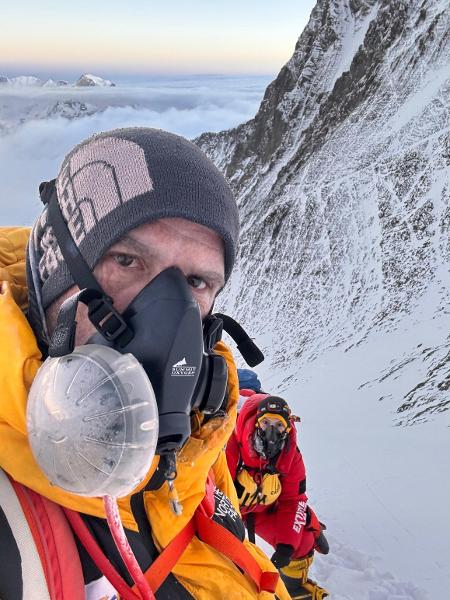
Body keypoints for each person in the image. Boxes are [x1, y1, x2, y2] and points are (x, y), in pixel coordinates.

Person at [0, 128, 291, 599]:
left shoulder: (196, 446)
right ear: (53, 276)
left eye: (196, 281)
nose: (166, 311)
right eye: (128, 259)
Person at [226, 391, 330, 600]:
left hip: (263, 509)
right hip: (227, 509)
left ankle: (292, 588)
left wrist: (285, 547)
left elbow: (293, 500)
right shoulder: (231, 442)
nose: (272, 430)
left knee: (302, 540)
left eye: (279, 425)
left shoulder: (291, 456)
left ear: (288, 428)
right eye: (266, 423)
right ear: (257, 423)